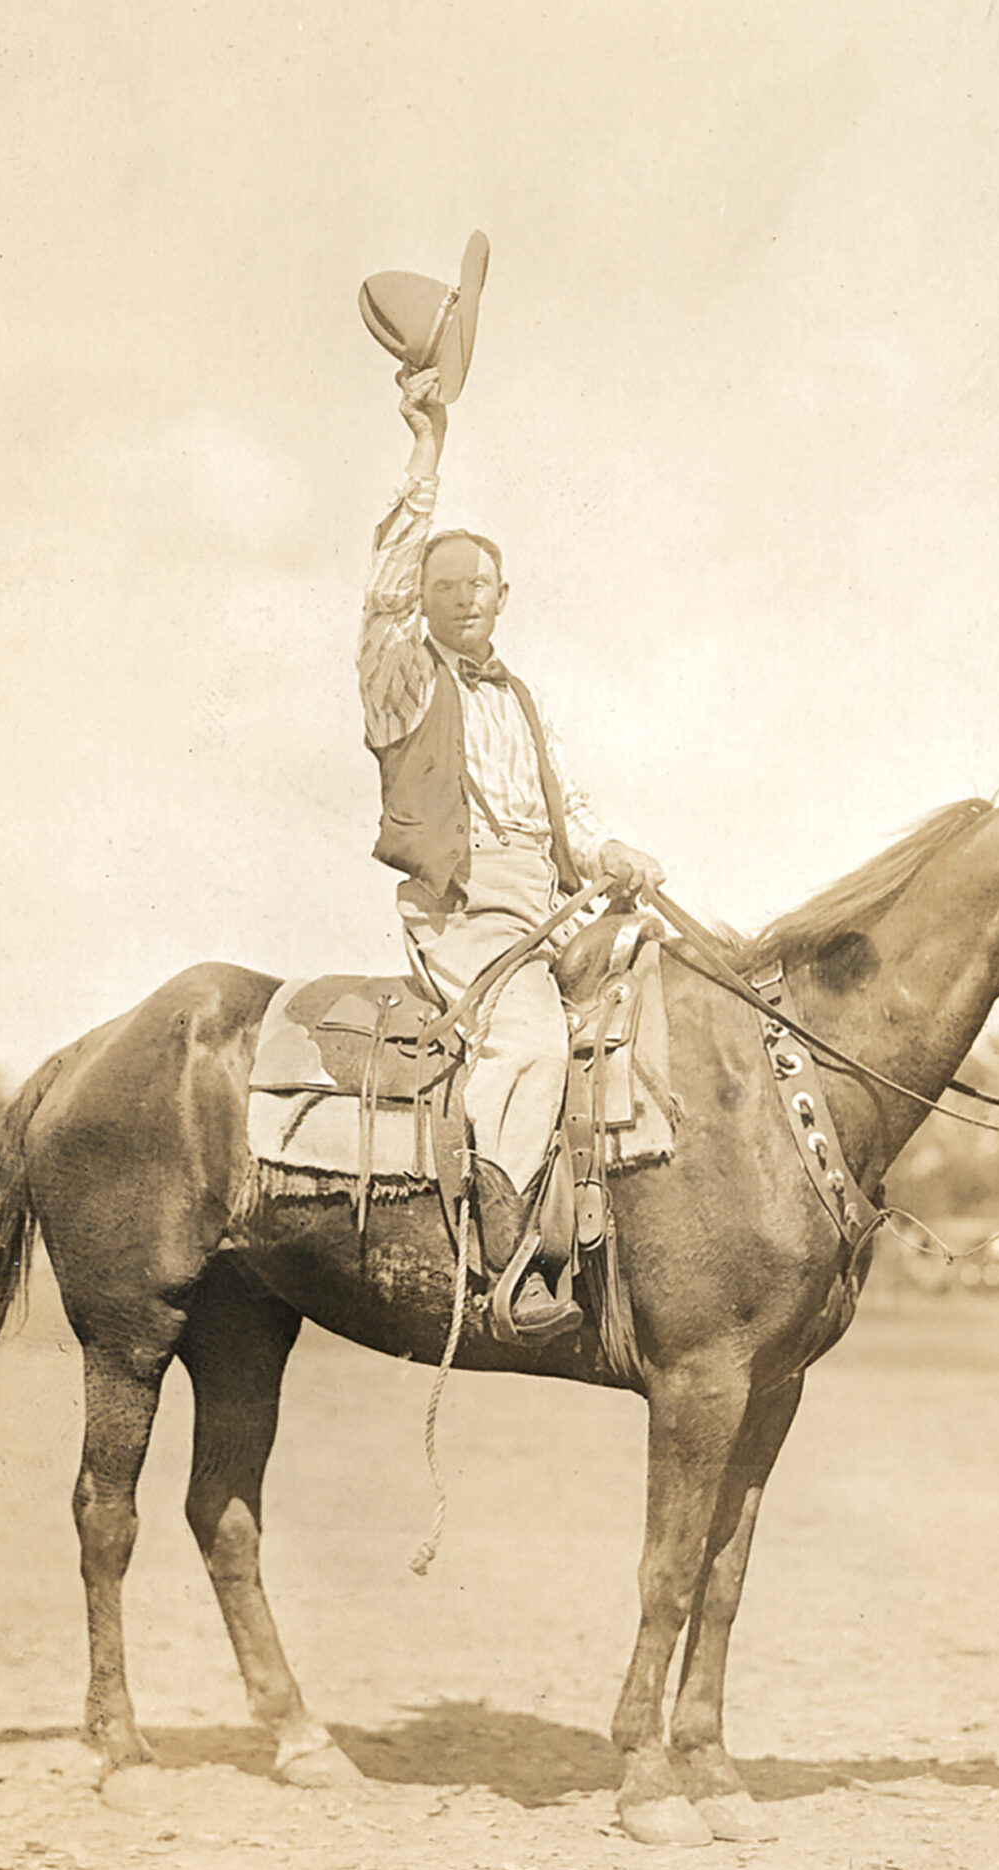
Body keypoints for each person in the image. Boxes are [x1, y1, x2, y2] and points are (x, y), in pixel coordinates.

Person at [357, 366, 662, 1343]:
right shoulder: (401, 679)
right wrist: (425, 449)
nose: (463, 602)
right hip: (465, 905)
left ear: (502, 596)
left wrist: (611, 851)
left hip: (546, 901)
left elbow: (566, 815)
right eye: (446, 588)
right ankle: (511, 1264)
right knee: (528, 1041)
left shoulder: (522, 697)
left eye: (478, 587)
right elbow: (383, 600)